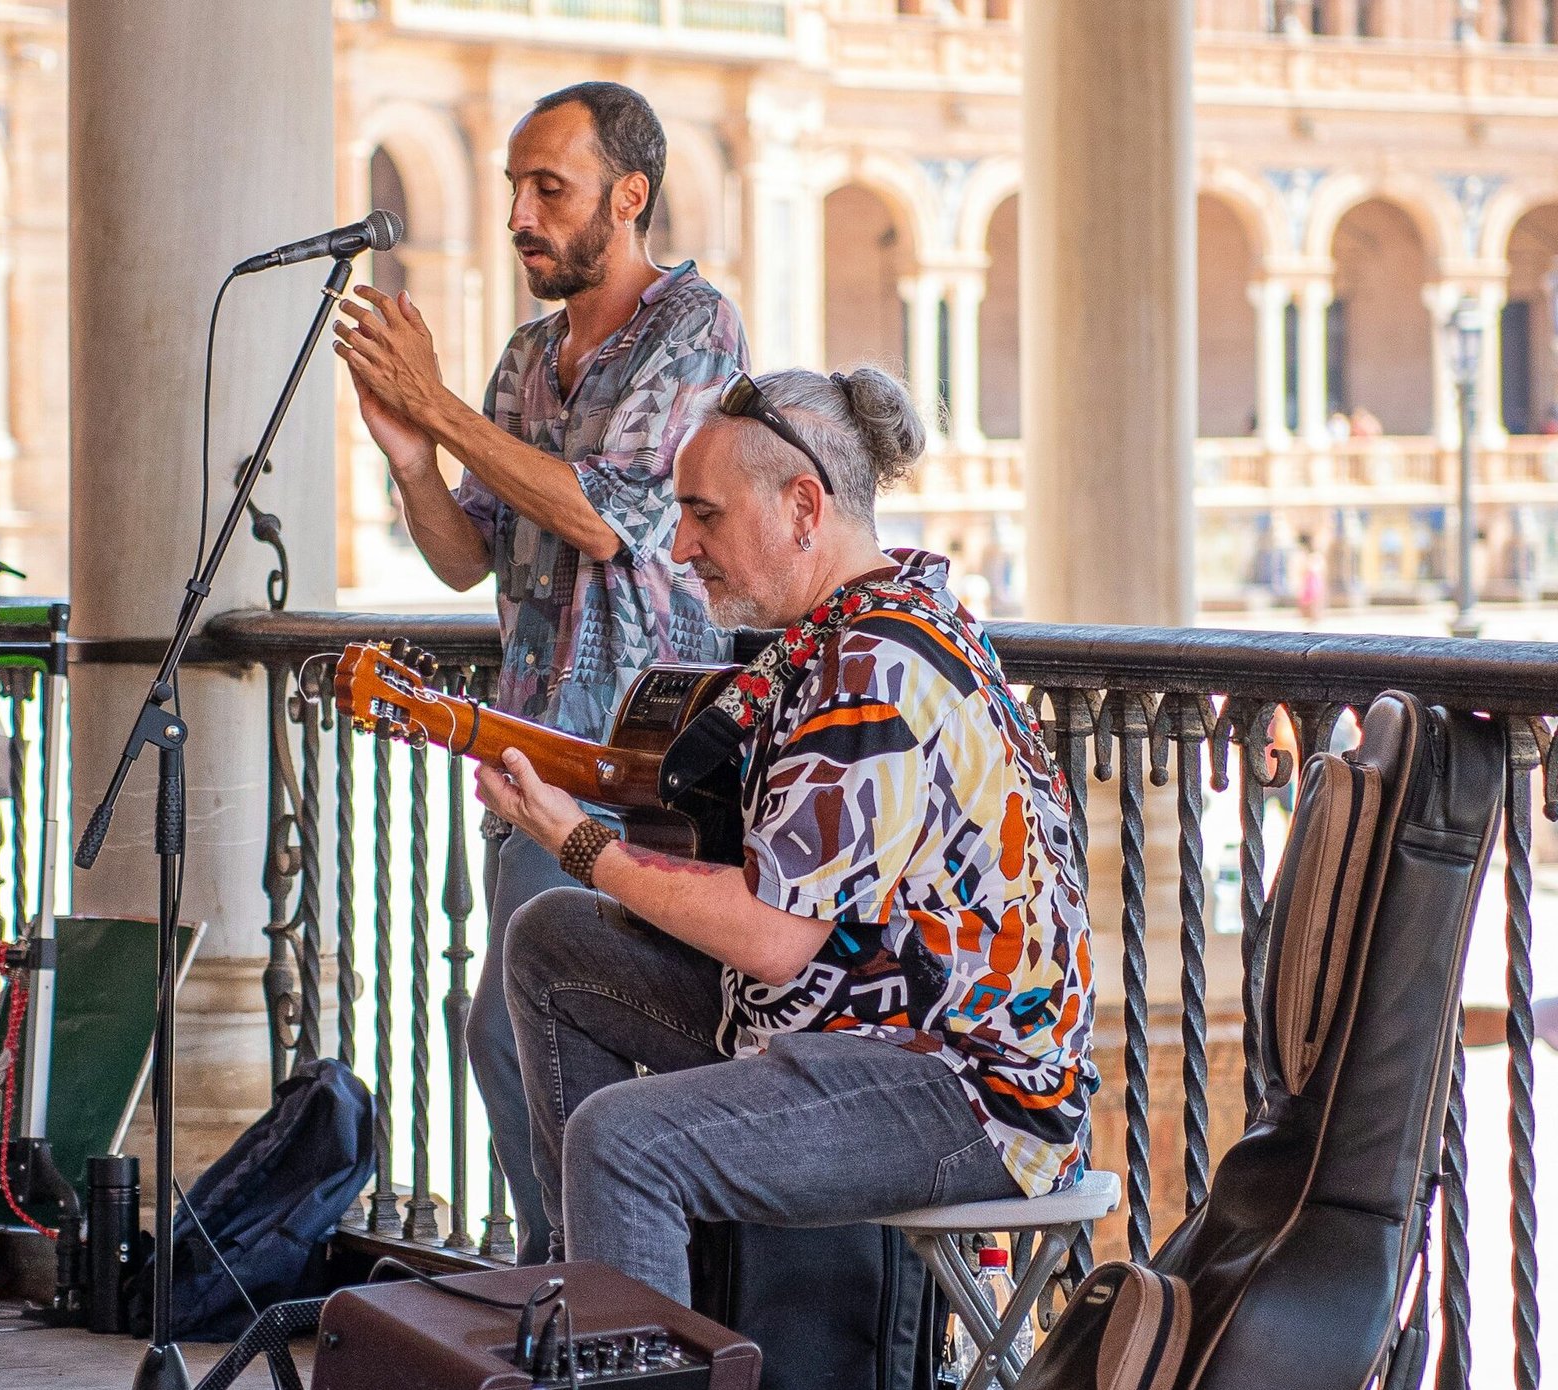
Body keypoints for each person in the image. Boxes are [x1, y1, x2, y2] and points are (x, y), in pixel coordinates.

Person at [477, 367, 1097, 1303]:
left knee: (622, 1139)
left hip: (963, 1086)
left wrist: (577, 840)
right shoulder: (847, 630)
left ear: (804, 506)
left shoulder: (872, 664)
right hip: (854, 1021)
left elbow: (771, 936)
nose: (680, 545)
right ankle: (603, 1296)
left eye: (705, 514)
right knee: (551, 943)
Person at [333, 81, 748, 1263]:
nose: (521, 210)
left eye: (547, 188)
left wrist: (440, 405)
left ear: (628, 197)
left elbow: (607, 520)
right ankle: (577, 1287)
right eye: (515, 186)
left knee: (518, 1039)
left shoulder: (695, 328)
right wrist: (415, 454)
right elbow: (468, 554)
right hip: (528, 762)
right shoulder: (526, 359)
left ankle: (588, 1298)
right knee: (517, 1040)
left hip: (644, 771)